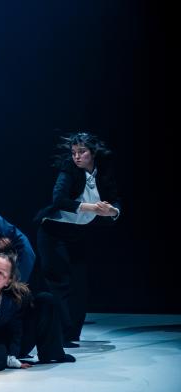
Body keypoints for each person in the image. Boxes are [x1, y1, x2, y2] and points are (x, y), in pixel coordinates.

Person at [34, 132, 121, 346]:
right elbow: (59, 199)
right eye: (74, 152)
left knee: (80, 285)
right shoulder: (69, 170)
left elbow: (116, 199)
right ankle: (61, 335)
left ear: (93, 153)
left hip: (77, 232)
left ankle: (72, 333)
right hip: (53, 231)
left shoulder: (103, 171)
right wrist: (91, 208)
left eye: (81, 152)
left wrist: (112, 212)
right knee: (60, 283)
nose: (77, 156)